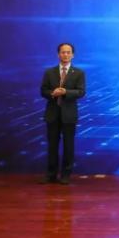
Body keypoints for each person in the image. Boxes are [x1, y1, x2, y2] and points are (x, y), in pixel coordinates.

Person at [40, 42, 86, 185]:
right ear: (58, 54)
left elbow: (81, 92)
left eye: (68, 52)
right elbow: (43, 91)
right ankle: (51, 174)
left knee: (68, 146)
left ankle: (66, 175)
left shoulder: (78, 73)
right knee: (52, 146)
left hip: (69, 115)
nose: (65, 55)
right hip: (52, 114)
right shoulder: (49, 72)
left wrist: (66, 92)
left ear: (73, 55)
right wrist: (52, 93)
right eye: (63, 52)